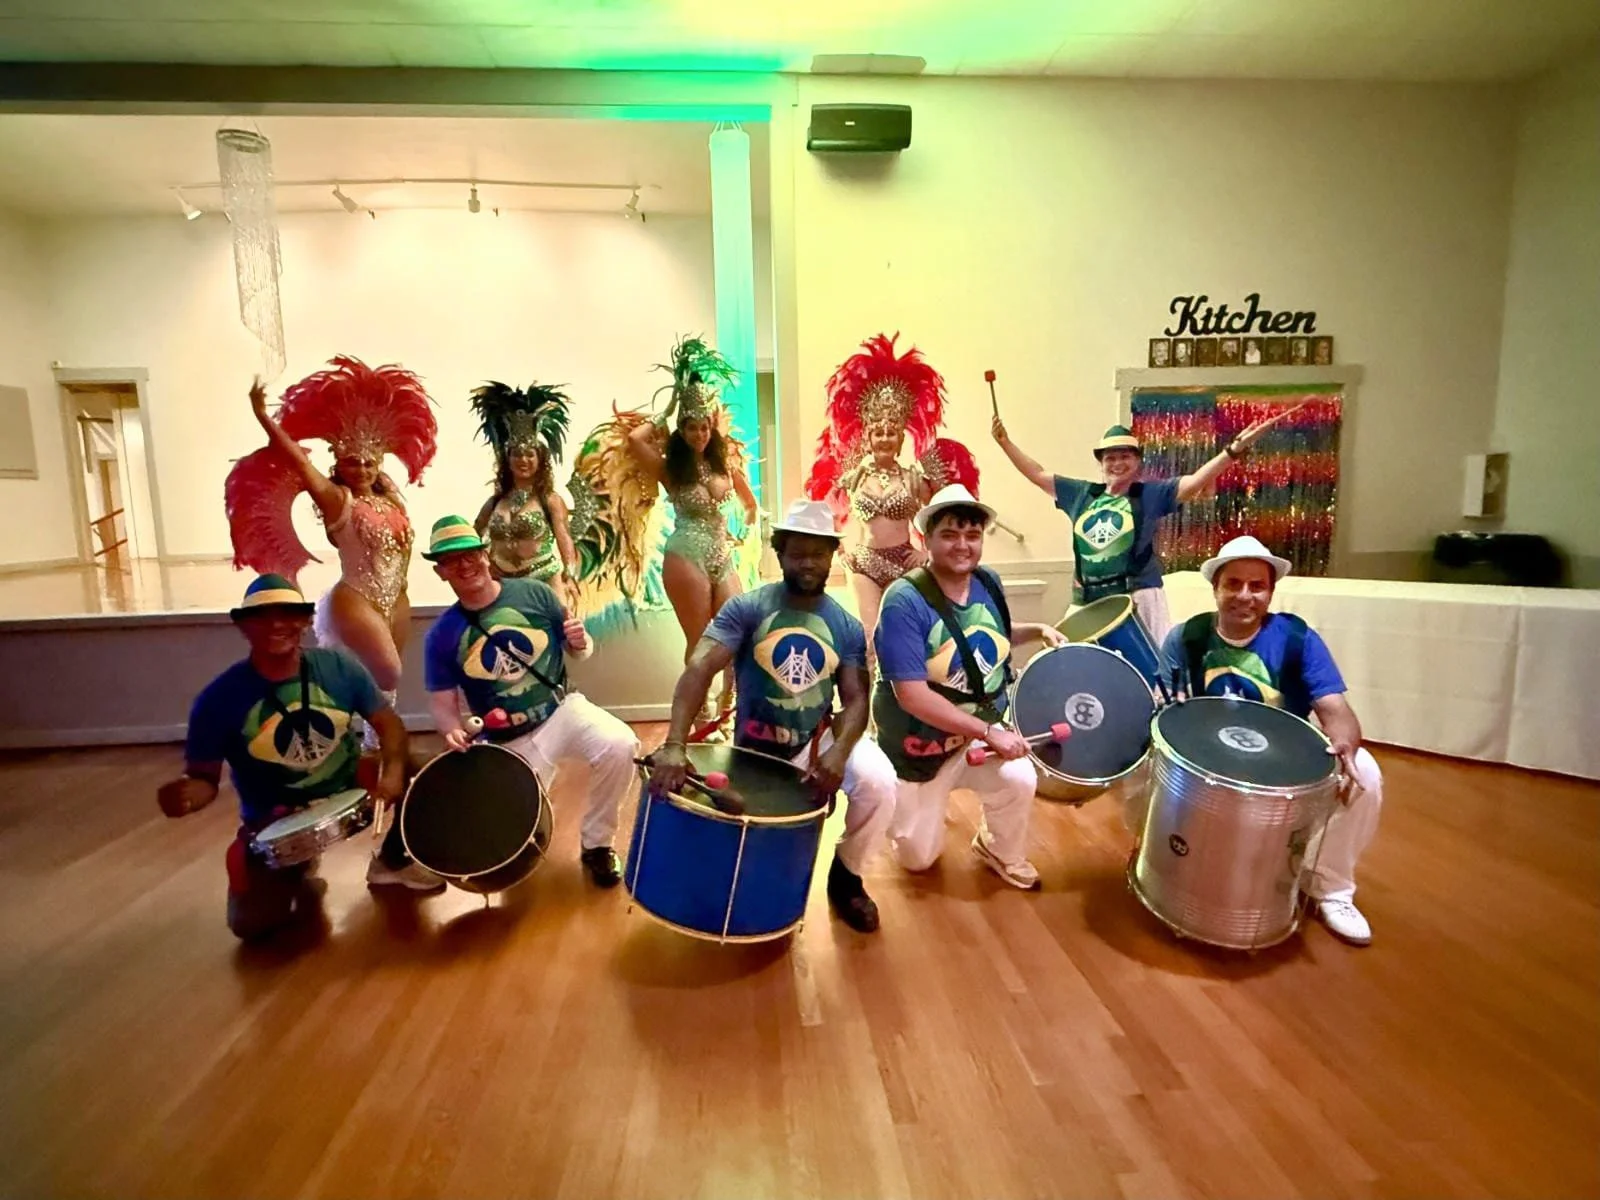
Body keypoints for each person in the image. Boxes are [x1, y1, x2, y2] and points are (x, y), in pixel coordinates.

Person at [649, 499, 896, 933]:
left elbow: (857, 700)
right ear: (779, 552)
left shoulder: (846, 626)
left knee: (879, 784)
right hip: (754, 753)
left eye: (818, 553)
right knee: (748, 871)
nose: (807, 562)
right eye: (797, 552)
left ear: (832, 554)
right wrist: (674, 743)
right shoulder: (746, 609)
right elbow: (700, 668)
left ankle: (847, 876)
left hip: (813, 746)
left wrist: (838, 755)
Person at [157, 575, 441, 942]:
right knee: (252, 925)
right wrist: (185, 795)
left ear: (306, 621)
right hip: (279, 818)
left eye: (289, 614)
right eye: (263, 616)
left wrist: (396, 771)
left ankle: (394, 860)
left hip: (350, 782)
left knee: (427, 770)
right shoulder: (218, 700)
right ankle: (293, 867)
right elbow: (204, 779)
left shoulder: (338, 668)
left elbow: (387, 724)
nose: (278, 624)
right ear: (244, 626)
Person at [1158, 534, 1382, 946]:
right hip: (1210, 768)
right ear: (1216, 589)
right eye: (1233, 584)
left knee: (1365, 771)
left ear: (1270, 592)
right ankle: (1162, 860)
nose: (1245, 596)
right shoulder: (1184, 638)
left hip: (1282, 771)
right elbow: (1168, 712)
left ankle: (1330, 888)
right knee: (1145, 765)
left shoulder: (1298, 639)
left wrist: (1346, 745)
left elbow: (1336, 711)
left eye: (1256, 586)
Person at [227, 357, 438, 744]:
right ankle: (352, 736)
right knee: (388, 671)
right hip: (356, 598)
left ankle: (370, 748)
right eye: (352, 462)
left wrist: (390, 480)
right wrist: (263, 416)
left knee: (387, 681)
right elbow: (297, 460)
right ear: (339, 465)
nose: (361, 469)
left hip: (398, 598)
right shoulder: (336, 499)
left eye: (369, 462)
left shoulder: (391, 500)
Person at [421, 515, 639, 887]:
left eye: (470, 554)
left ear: (485, 555)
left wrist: (581, 641)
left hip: (563, 709)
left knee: (621, 746)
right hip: (509, 740)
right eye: (451, 560)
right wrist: (452, 731)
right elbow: (443, 703)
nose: (464, 565)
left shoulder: (534, 593)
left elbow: (578, 650)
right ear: (441, 571)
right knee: (511, 832)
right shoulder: (441, 635)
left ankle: (597, 844)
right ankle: (526, 828)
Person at [872, 484, 1066, 890]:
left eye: (972, 535)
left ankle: (999, 849)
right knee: (918, 860)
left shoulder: (987, 581)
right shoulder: (903, 601)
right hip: (920, 747)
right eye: (949, 534)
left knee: (1018, 777)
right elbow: (912, 695)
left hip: (973, 740)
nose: (963, 545)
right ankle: (892, 794)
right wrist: (989, 731)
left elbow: (980, 638)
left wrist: (1037, 630)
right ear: (926, 539)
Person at [990, 406, 1303, 641]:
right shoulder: (1081, 495)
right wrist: (1005, 443)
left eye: (1125, 455)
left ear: (1137, 461)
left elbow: (1194, 483)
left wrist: (1232, 451)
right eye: (1110, 457)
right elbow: (1037, 473)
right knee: (1074, 658)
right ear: (1101, 462)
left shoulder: (1150, 494)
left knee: (1151, 665)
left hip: (1139, 595)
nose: (1117, 462)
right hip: (1087, 598)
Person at [625, 337, 759, 727]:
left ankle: (729, 713)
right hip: (686, 553)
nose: (699, 434)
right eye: (690, 427)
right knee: (701, 641)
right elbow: (635, 440)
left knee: (737, 633)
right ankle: (699, 717)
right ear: (681, 429)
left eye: (704, 427)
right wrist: (666, 409)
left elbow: (750, 507)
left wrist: (744, 535)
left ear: (711, 426)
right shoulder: (670, 468)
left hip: (722, 554)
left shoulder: (725, 464)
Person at [803, 333, 953, 672]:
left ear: (900, 439)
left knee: (913, 638)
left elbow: (936, 522)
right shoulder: (853, 477)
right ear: (868, 438)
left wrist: (925, 553)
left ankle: (912, 711)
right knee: (871, 640)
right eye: (878, 433)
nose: (884, 438)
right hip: (865, 564)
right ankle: (874, 721)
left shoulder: (914, 478)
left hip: (906, 562)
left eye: (891, 433)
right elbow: (822, 508)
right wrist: (841, 551)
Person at [469, 381, 580, 602]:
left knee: (558, 631)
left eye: (530, 454)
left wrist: (570, 574)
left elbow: (564, 539)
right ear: (507, 460)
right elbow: (472, 537)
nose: (523, 460)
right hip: (502, 586)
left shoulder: (550, 500)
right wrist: (484, 564)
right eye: (517, 455)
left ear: (540, 461)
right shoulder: (495, 502)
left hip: (544, 582)